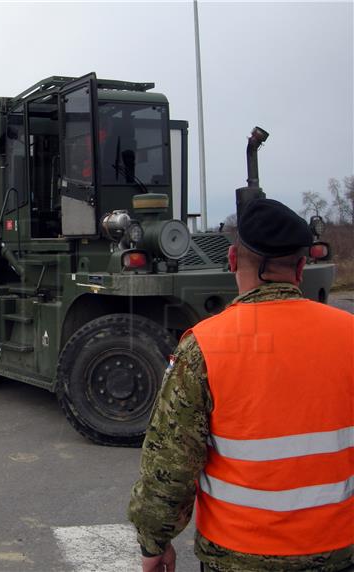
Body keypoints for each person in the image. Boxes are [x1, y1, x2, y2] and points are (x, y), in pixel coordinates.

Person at [128, 198, 353, 572]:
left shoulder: (203, 347)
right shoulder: (348, 335)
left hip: (236, 554)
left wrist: (154, 542)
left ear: (232, 260)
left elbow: (169, 466)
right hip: (339, 552)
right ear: (300, 267)